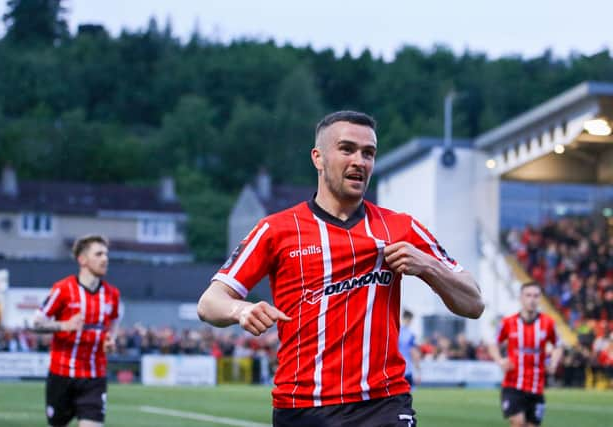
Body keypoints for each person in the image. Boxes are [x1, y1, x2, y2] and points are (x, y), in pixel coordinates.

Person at [198, 111, 484, 427]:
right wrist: (241, 310)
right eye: (347, 149)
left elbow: (473, 302)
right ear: (318, 158)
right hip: (303, 407)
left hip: (383, 404)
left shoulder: (401, 227)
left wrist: (428, 266)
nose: (359, 161)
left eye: (368, 153)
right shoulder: (276, 229)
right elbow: (210, 302)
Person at [32, 235, 120, 427]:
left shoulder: (112, 294)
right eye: (99, 254)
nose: (105, 259)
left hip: (94, 377)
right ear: (82, 259)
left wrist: (111, 340)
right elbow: (36, 323)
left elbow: (114, 322)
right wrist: (64, 325)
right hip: (61, 375)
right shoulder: (63, 289)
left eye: (106, 254)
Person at [489, 282, 563, 427]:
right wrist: (500, 360)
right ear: (521, 298)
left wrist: (554, 362)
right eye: (528, 295)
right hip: (513, 384)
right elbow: (493, 343)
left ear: (540, 298)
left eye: (536, 296)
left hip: (537, 386)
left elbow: (558, 345)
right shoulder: (508, 323)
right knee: (518, 422)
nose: (532, 299)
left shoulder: (548, 323)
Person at [398, 310, 421, 387]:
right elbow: (414, 353)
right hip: (406, 370)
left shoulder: (396, 330)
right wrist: (418, 371)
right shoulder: (410, 334)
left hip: (396, 370)